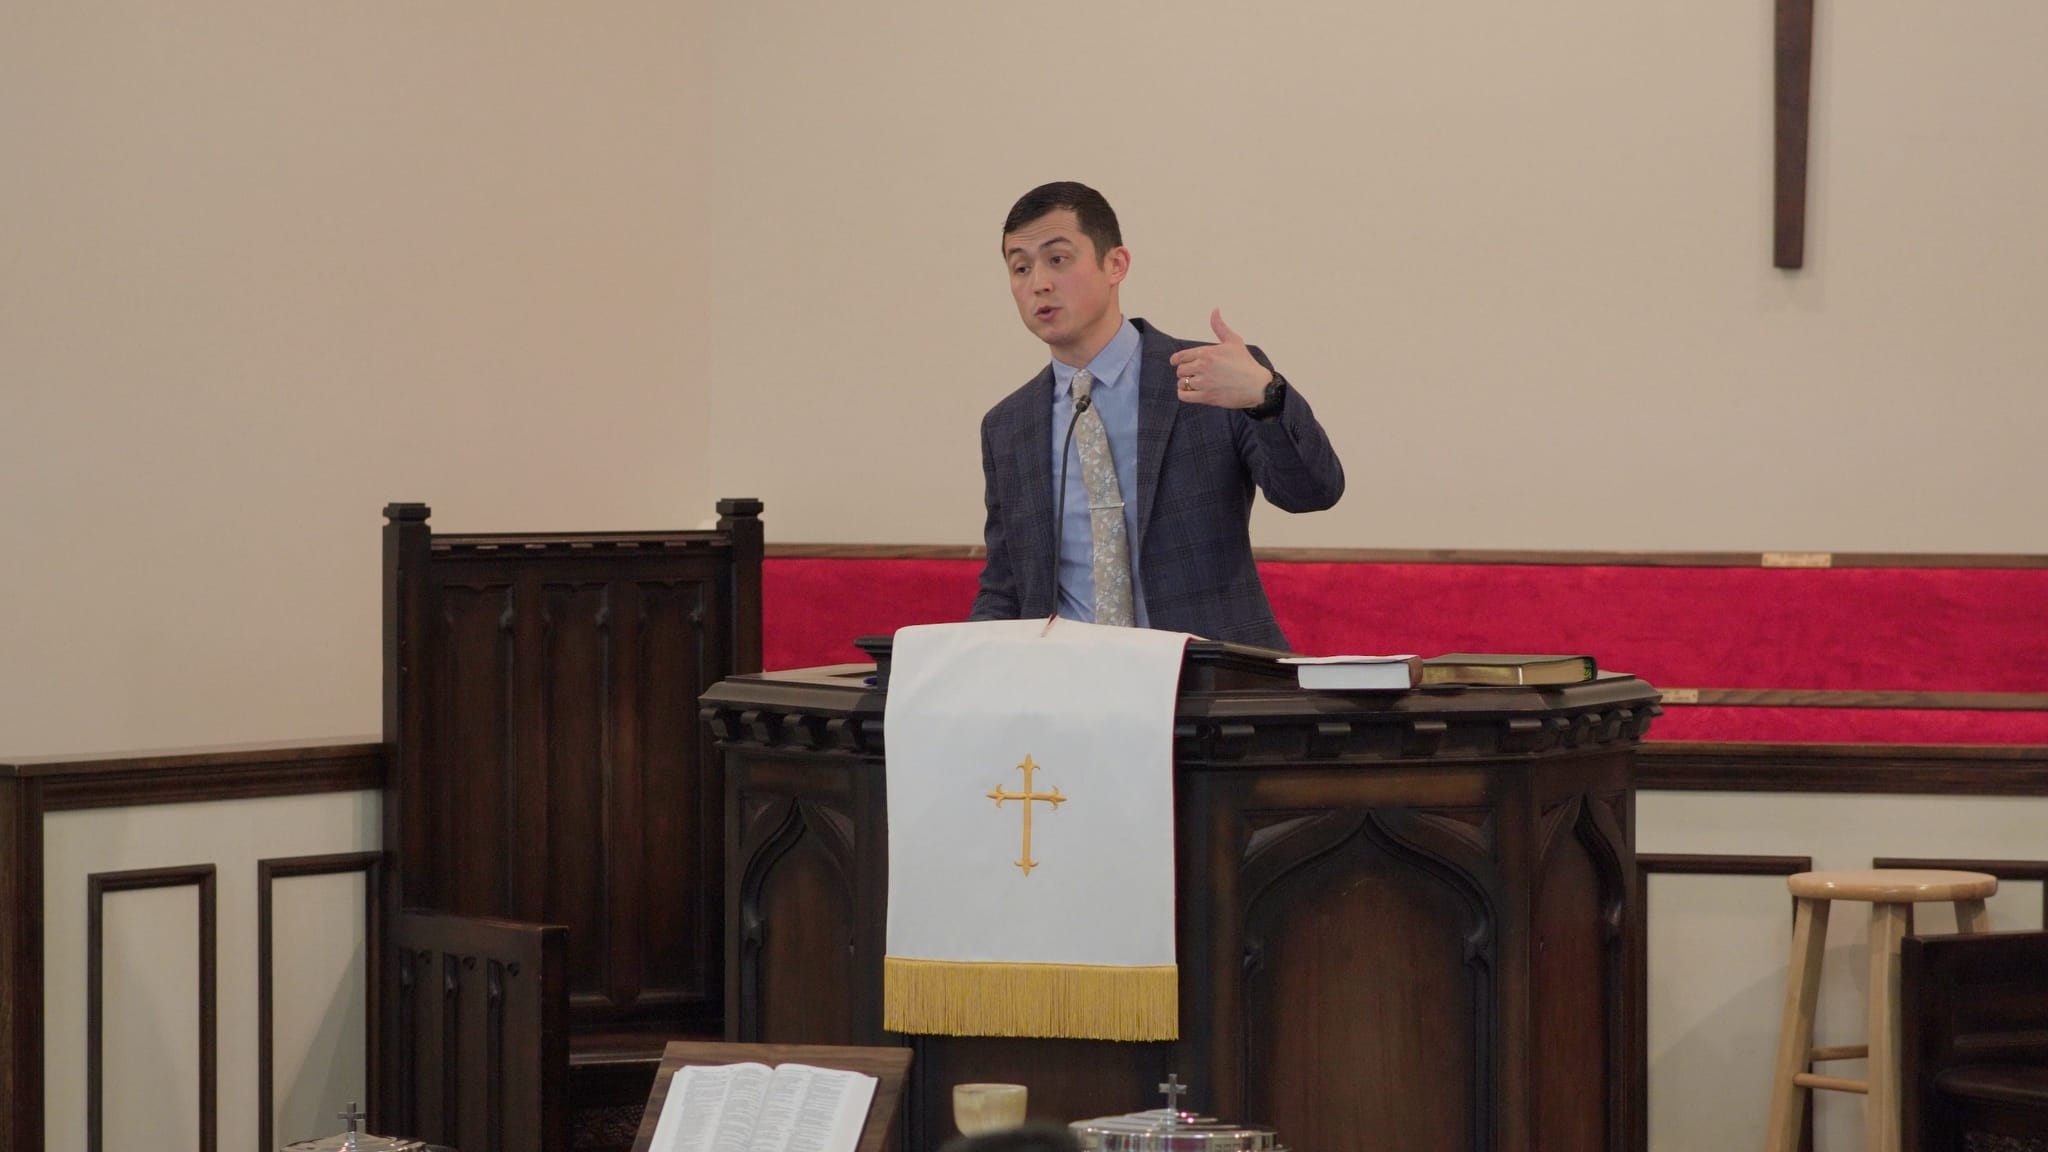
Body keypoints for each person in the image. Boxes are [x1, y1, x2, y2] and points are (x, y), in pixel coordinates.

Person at [967, 181, 1345, 651]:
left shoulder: (1210, 376)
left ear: (1116, 264)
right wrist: (966, 663)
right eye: (1020, 267)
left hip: (1204, 681)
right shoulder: (1008, 426)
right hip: (1068, 681)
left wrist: (1266, 397)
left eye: (1057, 259)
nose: (1038, 282)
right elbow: (1006, 586)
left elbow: (1312, 493)